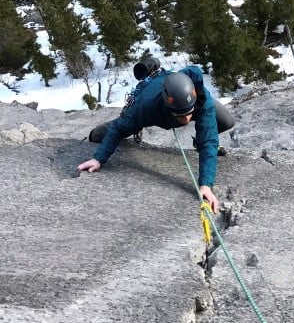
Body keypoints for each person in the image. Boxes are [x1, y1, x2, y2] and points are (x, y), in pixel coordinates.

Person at [77, 63, 234, 213]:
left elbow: (209, 141)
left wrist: (206, 185)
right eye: (181, 115)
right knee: (111, 131)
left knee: (227, 121)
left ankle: (195, 138)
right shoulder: (146, 106)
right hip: (148, 104)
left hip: (180, 98)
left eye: (189, 113)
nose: (187, 120)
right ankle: (104, 131)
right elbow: (118, 129)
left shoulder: (200, 97)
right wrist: (99, 158)